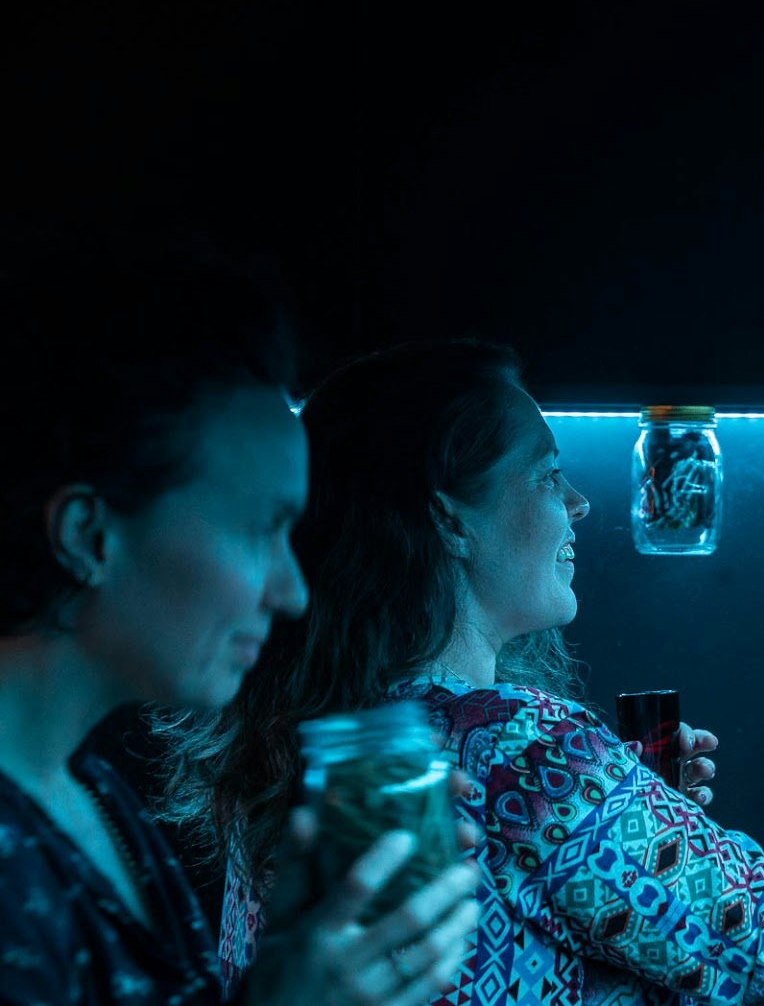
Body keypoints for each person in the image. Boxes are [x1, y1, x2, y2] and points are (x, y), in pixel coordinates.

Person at [171, 338, 764, 1004]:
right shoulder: (528, 753)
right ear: (450, 518)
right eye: (548, 475)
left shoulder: (319, 745)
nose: (579, 505)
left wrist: (628, 826)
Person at [0, 246, 480, 1005]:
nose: (291, 594)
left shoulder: (91, 796)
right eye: (260, 529)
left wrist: (285, 965)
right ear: (90, 536)